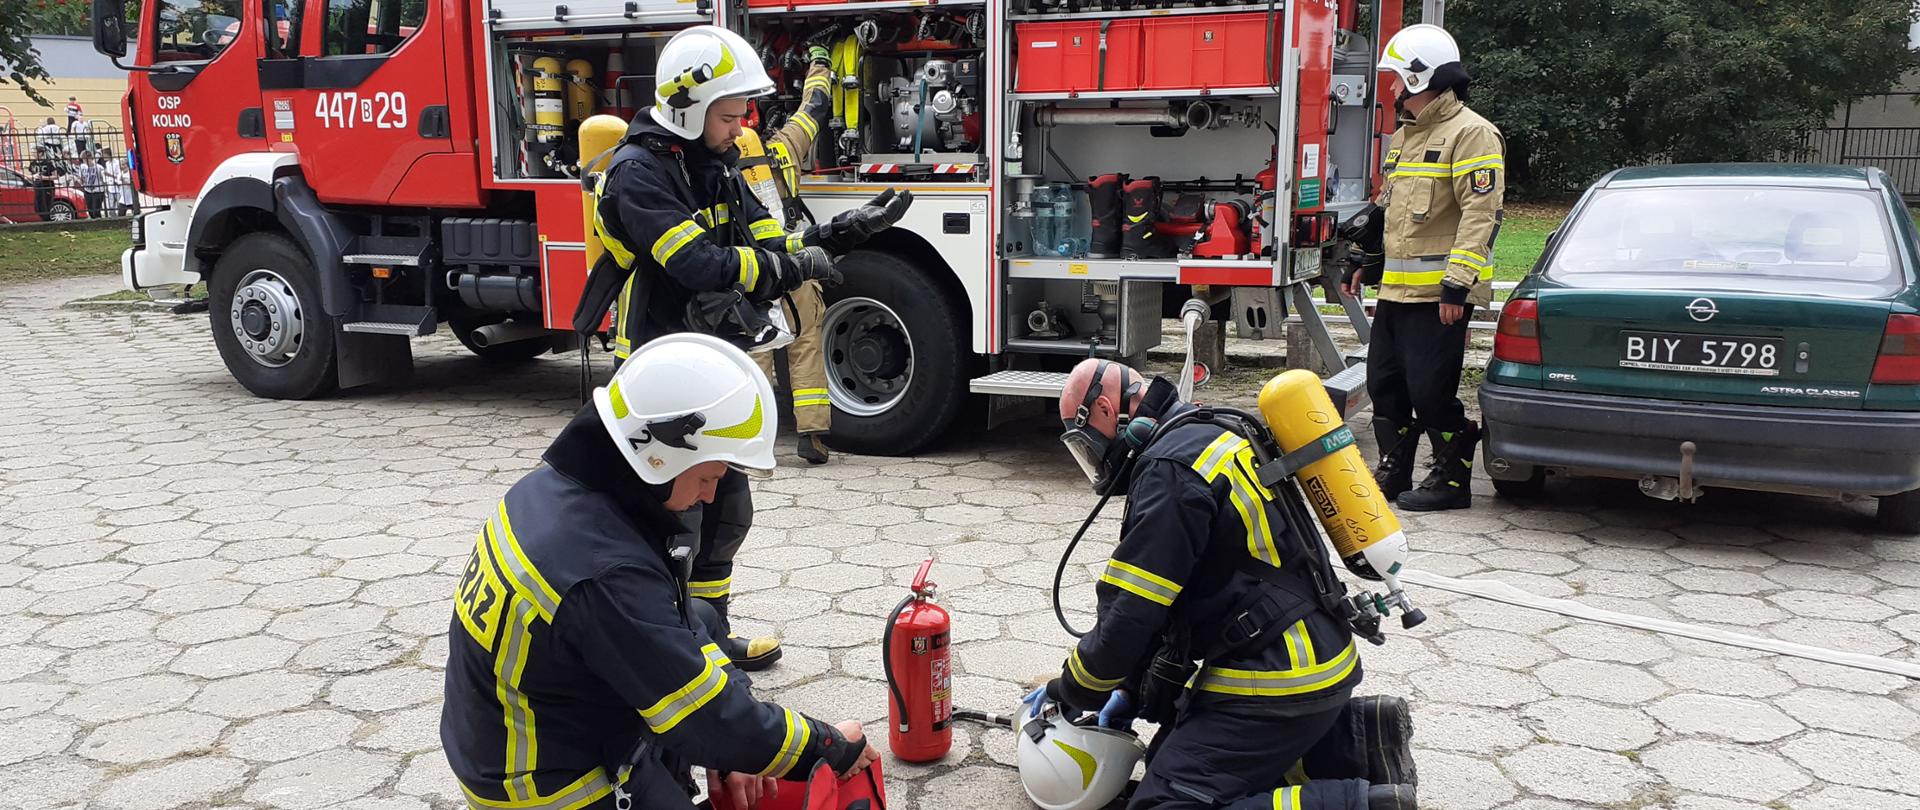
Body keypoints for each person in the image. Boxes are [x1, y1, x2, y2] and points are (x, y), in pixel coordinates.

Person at [441, 333, 880, 809]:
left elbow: (682, 622)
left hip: (551, 732)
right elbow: (704, 718)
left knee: (706, 621)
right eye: (709, 477)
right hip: (552, 790)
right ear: (660, 457)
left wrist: (733, 750)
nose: (710, 497)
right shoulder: (603, 571)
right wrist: (828, 747)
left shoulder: (564, 491)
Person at [587, 25, 911, 670]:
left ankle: (709, 634)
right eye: (730, 116)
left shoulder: (713, 162)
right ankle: (667, 647)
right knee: (670, 521)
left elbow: (761, 242)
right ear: (689, 104)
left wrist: (838, 236)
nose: (740, 129)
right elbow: (701, 265)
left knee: (726, 510)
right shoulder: (637, 173)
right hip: (657, 365)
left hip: (707, 360)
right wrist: (794, 271)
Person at [1031, 358, 1417, 810]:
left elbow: (1131, 614)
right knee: (1166, 762)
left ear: (1103, 407)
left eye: (1086, 442)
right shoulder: (1210, 429)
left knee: (1166, 804)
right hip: (1313, 655)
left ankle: (1361, 804)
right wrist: (1130, 691)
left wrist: (1072, 690)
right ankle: (1358, 736)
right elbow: (1173, 605)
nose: (1095, 456)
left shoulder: (1170, 469)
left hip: (1276, 680)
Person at [1341, 24, 1504, 513]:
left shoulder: (1472, 134)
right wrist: (1363, 257)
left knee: (1431, 392)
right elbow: (1388, 207)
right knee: (1384, 384)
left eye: (1396, 77)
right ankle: (1394, 469)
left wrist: (1457, 286)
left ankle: (1452, 480)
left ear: (1420, 78)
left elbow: (1482, 216)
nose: (1390, 87)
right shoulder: (1405, 137)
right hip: (1396, 291)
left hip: (1440, 297)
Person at [739, 50, 838, 464]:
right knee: (806, 343)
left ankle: (754, 439)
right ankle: (812, 435)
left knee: (755, 349)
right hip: (793, 262)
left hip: (748, 269)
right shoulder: (783, 149)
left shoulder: (717, 165)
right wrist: (821, 65)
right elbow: (814, 107)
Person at [78, 153, 106, 218]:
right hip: (87, 190)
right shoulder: (82, 167)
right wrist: (81, 180)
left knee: (96, 210)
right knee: (90, 210)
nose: (86, 162)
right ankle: (94, 222)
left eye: (87, 160)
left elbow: (103, 178)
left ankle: (99, 221)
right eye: (84, 160)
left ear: (91, 158)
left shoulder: (99, 167)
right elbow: (81, 178)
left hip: (98, 190)